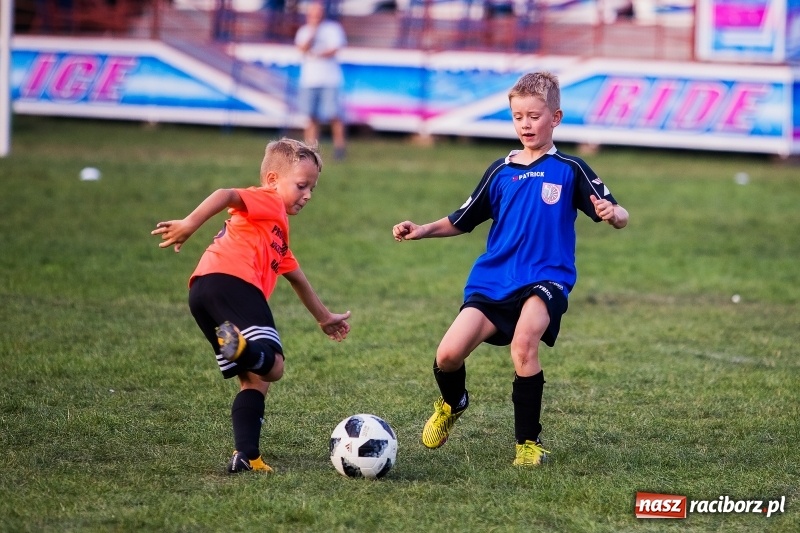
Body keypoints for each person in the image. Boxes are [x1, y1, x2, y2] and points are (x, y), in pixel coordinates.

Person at [392, 72, 629, 467]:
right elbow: (462, 219)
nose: (526, 124)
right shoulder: (500, 171)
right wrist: (421, 230)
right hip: (494, 279)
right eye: (518, 116)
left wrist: (613, 213)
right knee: (448, 355)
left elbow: (619, 213)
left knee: (523, 346)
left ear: (556, 117)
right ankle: (454, 403)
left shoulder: (571, 168)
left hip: (546, 278)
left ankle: (527, 443)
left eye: (534, 116)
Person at [151, 138, 351, 474]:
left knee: (255, 381)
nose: (308, 195)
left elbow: (298, 278)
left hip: (203, 290)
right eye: (302, 186)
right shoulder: (268, 201)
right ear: (273, 180)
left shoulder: (276, 233)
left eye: (312, 188)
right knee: (272, 367)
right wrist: (190, 223)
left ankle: (247, 456)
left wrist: (324, 317)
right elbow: (226, 195)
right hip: (234, 283)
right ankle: (243, 350)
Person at [295, 1, 347, 160]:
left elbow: (334, 49)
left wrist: (317, 53)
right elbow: (302, 48)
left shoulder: (333, 29)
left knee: (334, 115)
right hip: (310, 80)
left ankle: (339, 148)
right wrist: (313, 31)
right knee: (310, 116)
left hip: (330, 79)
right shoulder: (304, 31)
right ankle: (310, 150)